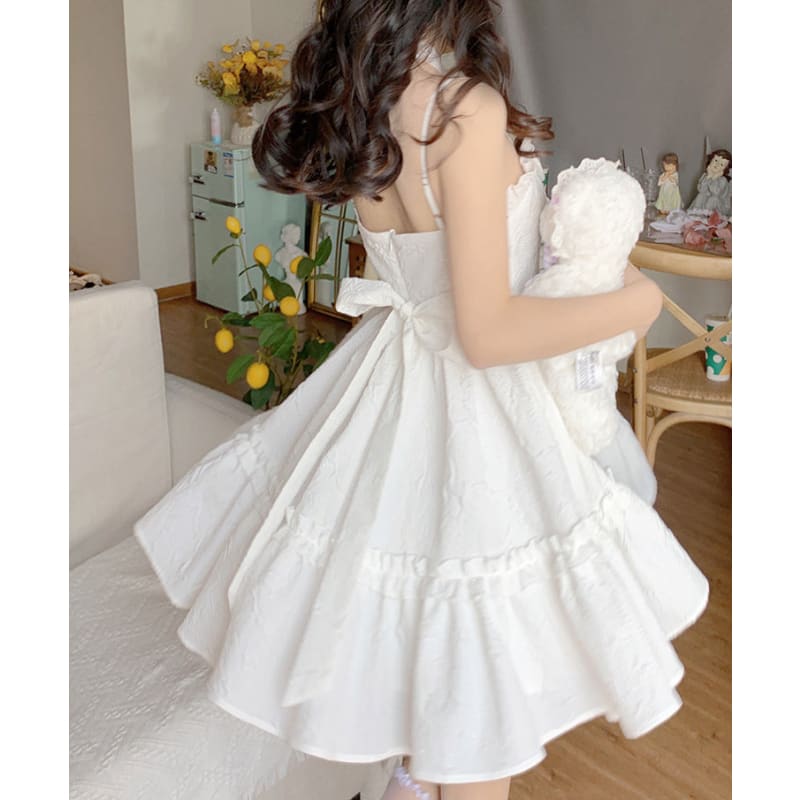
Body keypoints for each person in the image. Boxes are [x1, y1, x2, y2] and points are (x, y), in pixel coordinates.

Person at [134, 3, 709, 799]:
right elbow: (488, 331)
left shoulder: (363, 98)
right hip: (481, 410)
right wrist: (635, 305)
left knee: (426, 647)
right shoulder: (461, 107)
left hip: (395, 383)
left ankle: (410, 778)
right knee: (476, 707)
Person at [688, 148, 732, 216]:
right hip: (706, 201)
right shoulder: (706, 175)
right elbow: (701, 189)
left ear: (725, 169)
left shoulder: (723, 180)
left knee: (713, 199)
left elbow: (715, 192)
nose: (717, 165)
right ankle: (697, 214)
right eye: (716, 160)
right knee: (701, 196)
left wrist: (714, 177)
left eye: (721, 164)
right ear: (711, 160)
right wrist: (708, 177)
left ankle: (708, 216)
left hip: (720, 204)